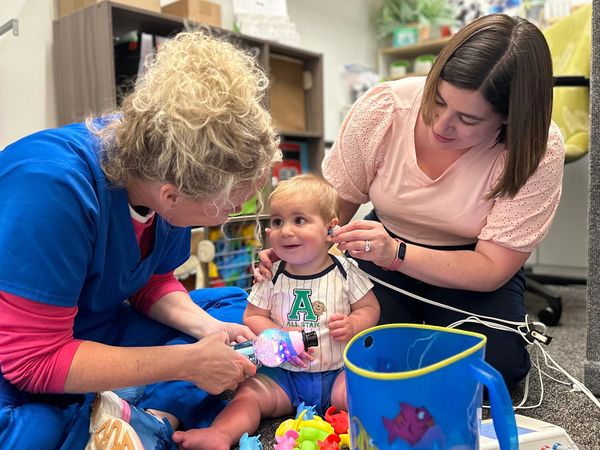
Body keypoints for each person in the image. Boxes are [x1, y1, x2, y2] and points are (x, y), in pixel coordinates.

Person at [0, 32, 281, 449]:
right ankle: (113, 414)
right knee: (33, 431)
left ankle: (147, 416)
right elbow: (32, 360)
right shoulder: (52, 188)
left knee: (234, 315)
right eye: (230, 205)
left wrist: (207, 329)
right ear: (173, 194)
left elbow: (149, 278)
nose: (233, 215)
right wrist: (185, 362)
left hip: (94, 326)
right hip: (22, 353)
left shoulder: (165, 174)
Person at [259, 14, 565, 389]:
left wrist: (398, 255)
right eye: (437, 100)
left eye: (468, 119)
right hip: (381, 241)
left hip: (469, 264)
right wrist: (296, 247)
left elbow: (491, 268)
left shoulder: (537, 148)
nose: (440, 125)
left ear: (509, 121)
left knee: (495, 369)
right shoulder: (385, 109)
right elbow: (331, 208)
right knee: (340, 341)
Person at [172, 174, 380, 450]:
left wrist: (354, 323)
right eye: (277, 221)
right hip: (284, 375)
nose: (285, 230)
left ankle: (383, 432)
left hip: (336, 372)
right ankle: (221, 433)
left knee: (359, 392)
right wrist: (278, 332)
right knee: (248, 395)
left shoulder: (345, 271)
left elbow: (370, 308)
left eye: (299, 220)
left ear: (330, 228)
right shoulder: (272, 275)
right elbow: (253, 316)